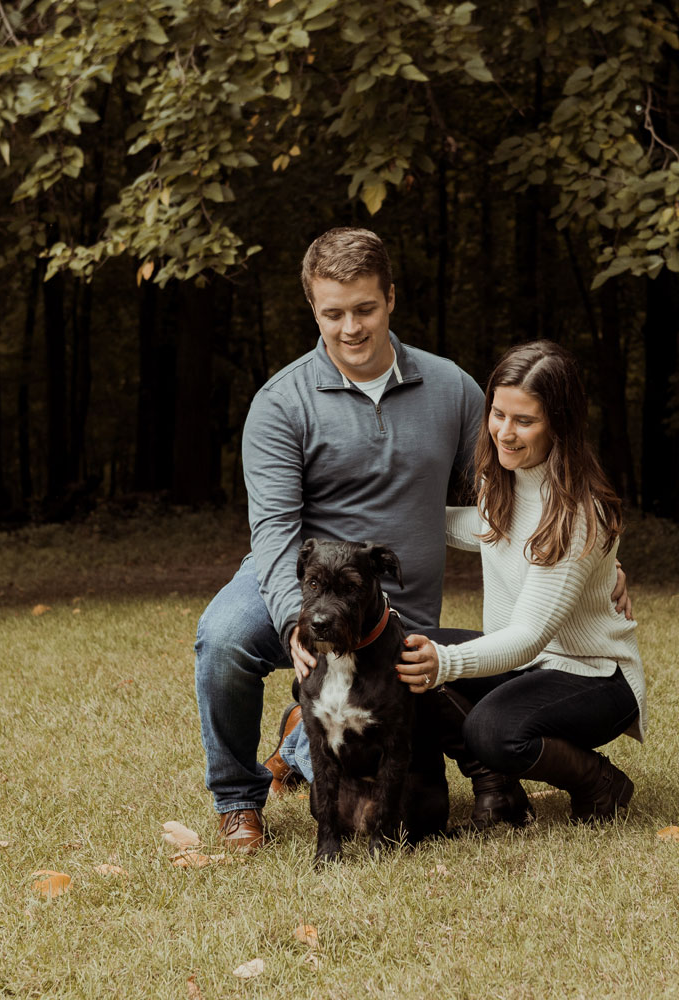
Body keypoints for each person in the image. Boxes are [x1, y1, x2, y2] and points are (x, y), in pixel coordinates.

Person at [195, 228, 566, 854]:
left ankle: (305, 731)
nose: (350, 328)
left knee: (411, 790)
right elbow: (276, 533)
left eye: (365, 308)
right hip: (303, 584)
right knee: (224, 638)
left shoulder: (451, 388)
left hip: (397, 607)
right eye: (332, 313)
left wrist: (588, 555)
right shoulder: (280, 403)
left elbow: (509, 486)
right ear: (313, 309)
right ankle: (238, 799)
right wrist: (292, 619)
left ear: (391, 297)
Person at [394, 340, 645, 822]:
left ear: (560, 424)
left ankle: (601, 783)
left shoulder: (576, 513)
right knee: (400, 652)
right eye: (498, 414)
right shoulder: (505, 474)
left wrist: (445, 661)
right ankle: (497, 788)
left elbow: (529, 636)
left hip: (592, 675)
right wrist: (397, 518)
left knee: (493, 731)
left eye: (524, 420)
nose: (505, 433)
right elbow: (487, 529)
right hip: (526, 664)